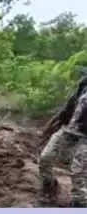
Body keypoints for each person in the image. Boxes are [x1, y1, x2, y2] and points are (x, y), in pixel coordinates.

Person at [37, 74, 87, 207]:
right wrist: (53, 123)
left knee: (78, 171)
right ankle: (49, 187)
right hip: (68, 129)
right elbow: (69, 106)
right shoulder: (84, 83)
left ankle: (79, 203)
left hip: (84, 136)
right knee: (45, 158)